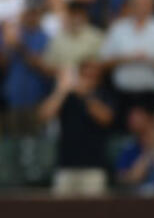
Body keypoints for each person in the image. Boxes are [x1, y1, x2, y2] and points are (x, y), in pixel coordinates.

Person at [39, 61, 114, 196]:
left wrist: (85, 95)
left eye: (93, 75)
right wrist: (61, 90)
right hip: (66, 166)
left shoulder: (104, 94)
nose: (88, 79)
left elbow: (106, 118)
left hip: (94, 167)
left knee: (95, 212)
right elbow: (44, 115)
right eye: (85, 75)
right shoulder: (67, 96)